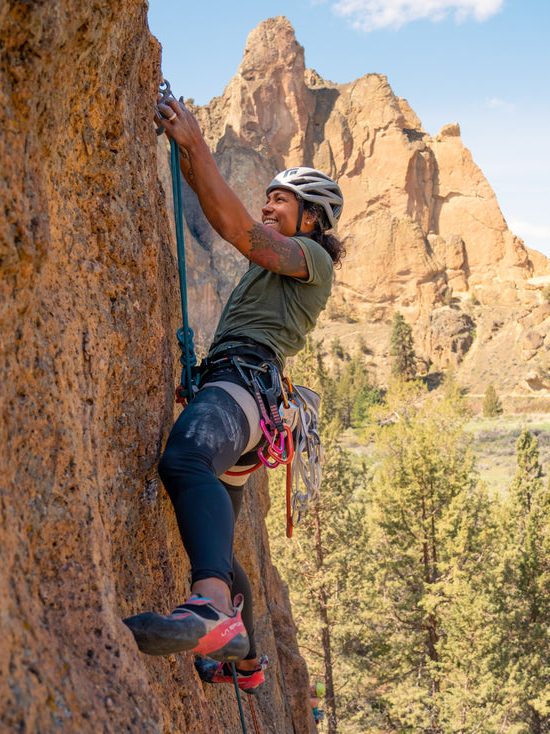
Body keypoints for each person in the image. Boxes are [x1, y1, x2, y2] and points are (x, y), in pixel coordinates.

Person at [122, 90, 345, 689]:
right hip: (248, 401)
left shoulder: (310, 259)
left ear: (312, 221)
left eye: (283, 201)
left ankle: (213, 609)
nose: (269, 208)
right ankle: (247, 665)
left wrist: (194, 142)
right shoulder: (276, 265)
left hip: (246, 387)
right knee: (220, 538)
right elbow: (222, 211)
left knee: (185, 458)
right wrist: (187, 153)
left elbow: (237, 228)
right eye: (268, 199)